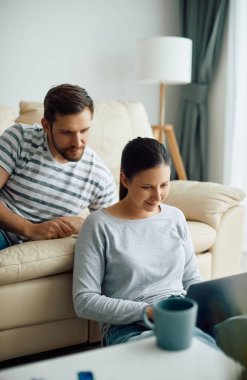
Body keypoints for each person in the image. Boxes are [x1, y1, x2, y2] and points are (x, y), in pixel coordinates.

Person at [72, 137, 215, 347]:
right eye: (147, 186)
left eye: (164, 185)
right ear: (124, 179)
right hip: (129, 326)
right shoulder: (99, 225)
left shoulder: (175, 217)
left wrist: (211, 302)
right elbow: (84, 301)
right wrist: (147, 311)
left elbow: (191, 278)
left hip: (179, 315)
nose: (158, 196)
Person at [0, 83, 117, 250]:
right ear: (46, 126)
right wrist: (30, 229)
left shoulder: (99, 176)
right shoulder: (19, 138)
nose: (77, 142)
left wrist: (86, 224)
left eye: (84, 131)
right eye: (67, 133)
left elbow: (114, 230)